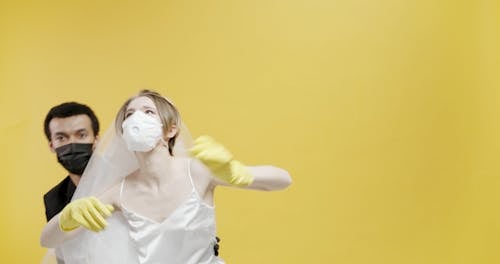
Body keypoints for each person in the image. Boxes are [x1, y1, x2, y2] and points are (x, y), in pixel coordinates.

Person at [40, 90, 292, 263]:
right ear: (123, 133)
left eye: (148, 112)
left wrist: (240, 173)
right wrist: (67, 217)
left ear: (171, 129)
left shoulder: (198, 171)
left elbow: (283, 179)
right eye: (129, 115)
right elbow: (47, 239)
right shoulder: (119, 191)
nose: (137, 118)